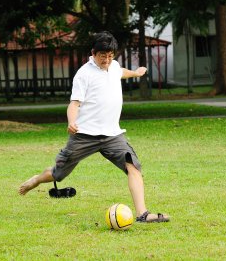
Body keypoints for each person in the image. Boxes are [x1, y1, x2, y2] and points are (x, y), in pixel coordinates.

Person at [19, 31, 170, 223]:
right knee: (59, 174)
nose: (106, 60)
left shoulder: (113, 66)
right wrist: (71, 121)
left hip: (112, 135)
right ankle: (37, 179)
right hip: (85, 135)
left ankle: (142, 214)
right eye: (102, 56)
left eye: (110, 56)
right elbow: (74, 104)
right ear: (93, 53)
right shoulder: (84, 74)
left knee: (133, 166)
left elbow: (121, 71)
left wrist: (136, 73)